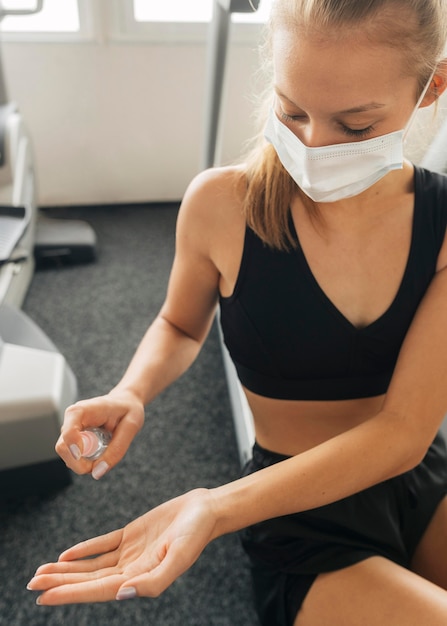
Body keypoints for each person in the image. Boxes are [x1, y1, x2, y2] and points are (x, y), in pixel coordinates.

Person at [26, 1, 447, 624]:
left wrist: (213, 506)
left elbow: (404, 433)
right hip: (289, 513)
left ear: (431, 87)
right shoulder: (219, 206)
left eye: (355, 127)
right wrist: (133, 390)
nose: (313, 145)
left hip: (417, 483)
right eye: (293, 110)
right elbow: (179, 324)